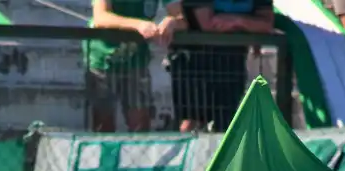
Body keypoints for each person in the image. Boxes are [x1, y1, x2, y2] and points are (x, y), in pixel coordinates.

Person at [165, 0, 276, 131]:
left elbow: (267, 25)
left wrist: (237, 20)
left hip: (232, 61)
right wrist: (250, 24)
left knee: (227, 124)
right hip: (193, 61)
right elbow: (210, 24)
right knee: (191, 121)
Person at [86, 0, 175, 131]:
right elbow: (101, 17)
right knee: (103, 126)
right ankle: (105, 152)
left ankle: (138, 151)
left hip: (136, 58)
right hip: (103, 58)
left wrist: (171, 21)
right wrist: (137, 24)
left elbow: (179, 15)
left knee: (141, 124)